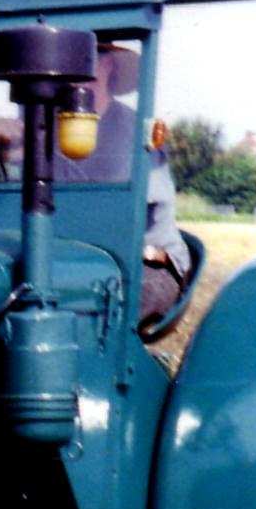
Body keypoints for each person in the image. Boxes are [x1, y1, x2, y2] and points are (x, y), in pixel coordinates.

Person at [55, 43, 191, 325]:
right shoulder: (48, 132)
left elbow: (134, 212)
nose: (75, 70)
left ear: (108, 65)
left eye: (86, 58)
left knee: (92, 315)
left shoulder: (135, 130)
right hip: (77, 262)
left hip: (143, 264)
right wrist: (6, 153)